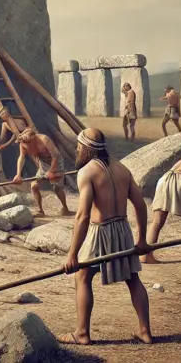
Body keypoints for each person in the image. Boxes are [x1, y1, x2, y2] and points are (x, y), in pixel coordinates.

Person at [62, 128, 151, 346]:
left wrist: (72, 253)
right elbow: (140, 205)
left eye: (78, 147)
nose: (76, 150)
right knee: (133, 278)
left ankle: (81, 333)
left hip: (99, 230)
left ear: (85, 148)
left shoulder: (87, 172)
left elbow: (83, 216)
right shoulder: (122, 169)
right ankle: (145, 331)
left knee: (82, 276)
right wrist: (141, 239)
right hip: (122, 229)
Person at [14, 127, 74, 217]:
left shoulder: (44, 139)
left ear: (34, 138)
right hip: (43, 163)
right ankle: (40, 211)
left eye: (30, 143)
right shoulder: (23, 143)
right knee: (34, 185)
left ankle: (65, 209)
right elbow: (21, 157)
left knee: (56, 187)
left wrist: (51, 171)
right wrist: (18, 174)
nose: (28, 146)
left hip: (56, 161)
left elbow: (54, 156)